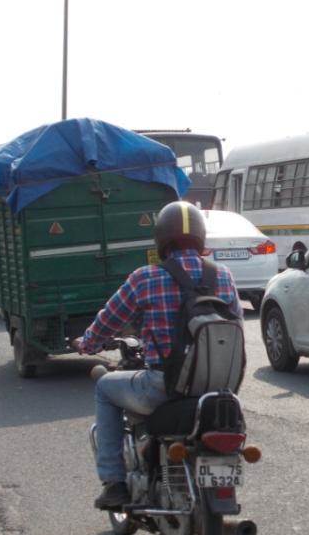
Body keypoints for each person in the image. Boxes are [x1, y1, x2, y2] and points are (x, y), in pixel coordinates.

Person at [74, 201, 243, 510]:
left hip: (163, 385)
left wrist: (87, 343)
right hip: (218, 389)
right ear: (201, 238)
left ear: (161, 239)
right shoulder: (223, 276)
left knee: (104, 388)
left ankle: (114, 483)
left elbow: (108, 321)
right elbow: (237, 330)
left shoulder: (146, 277)